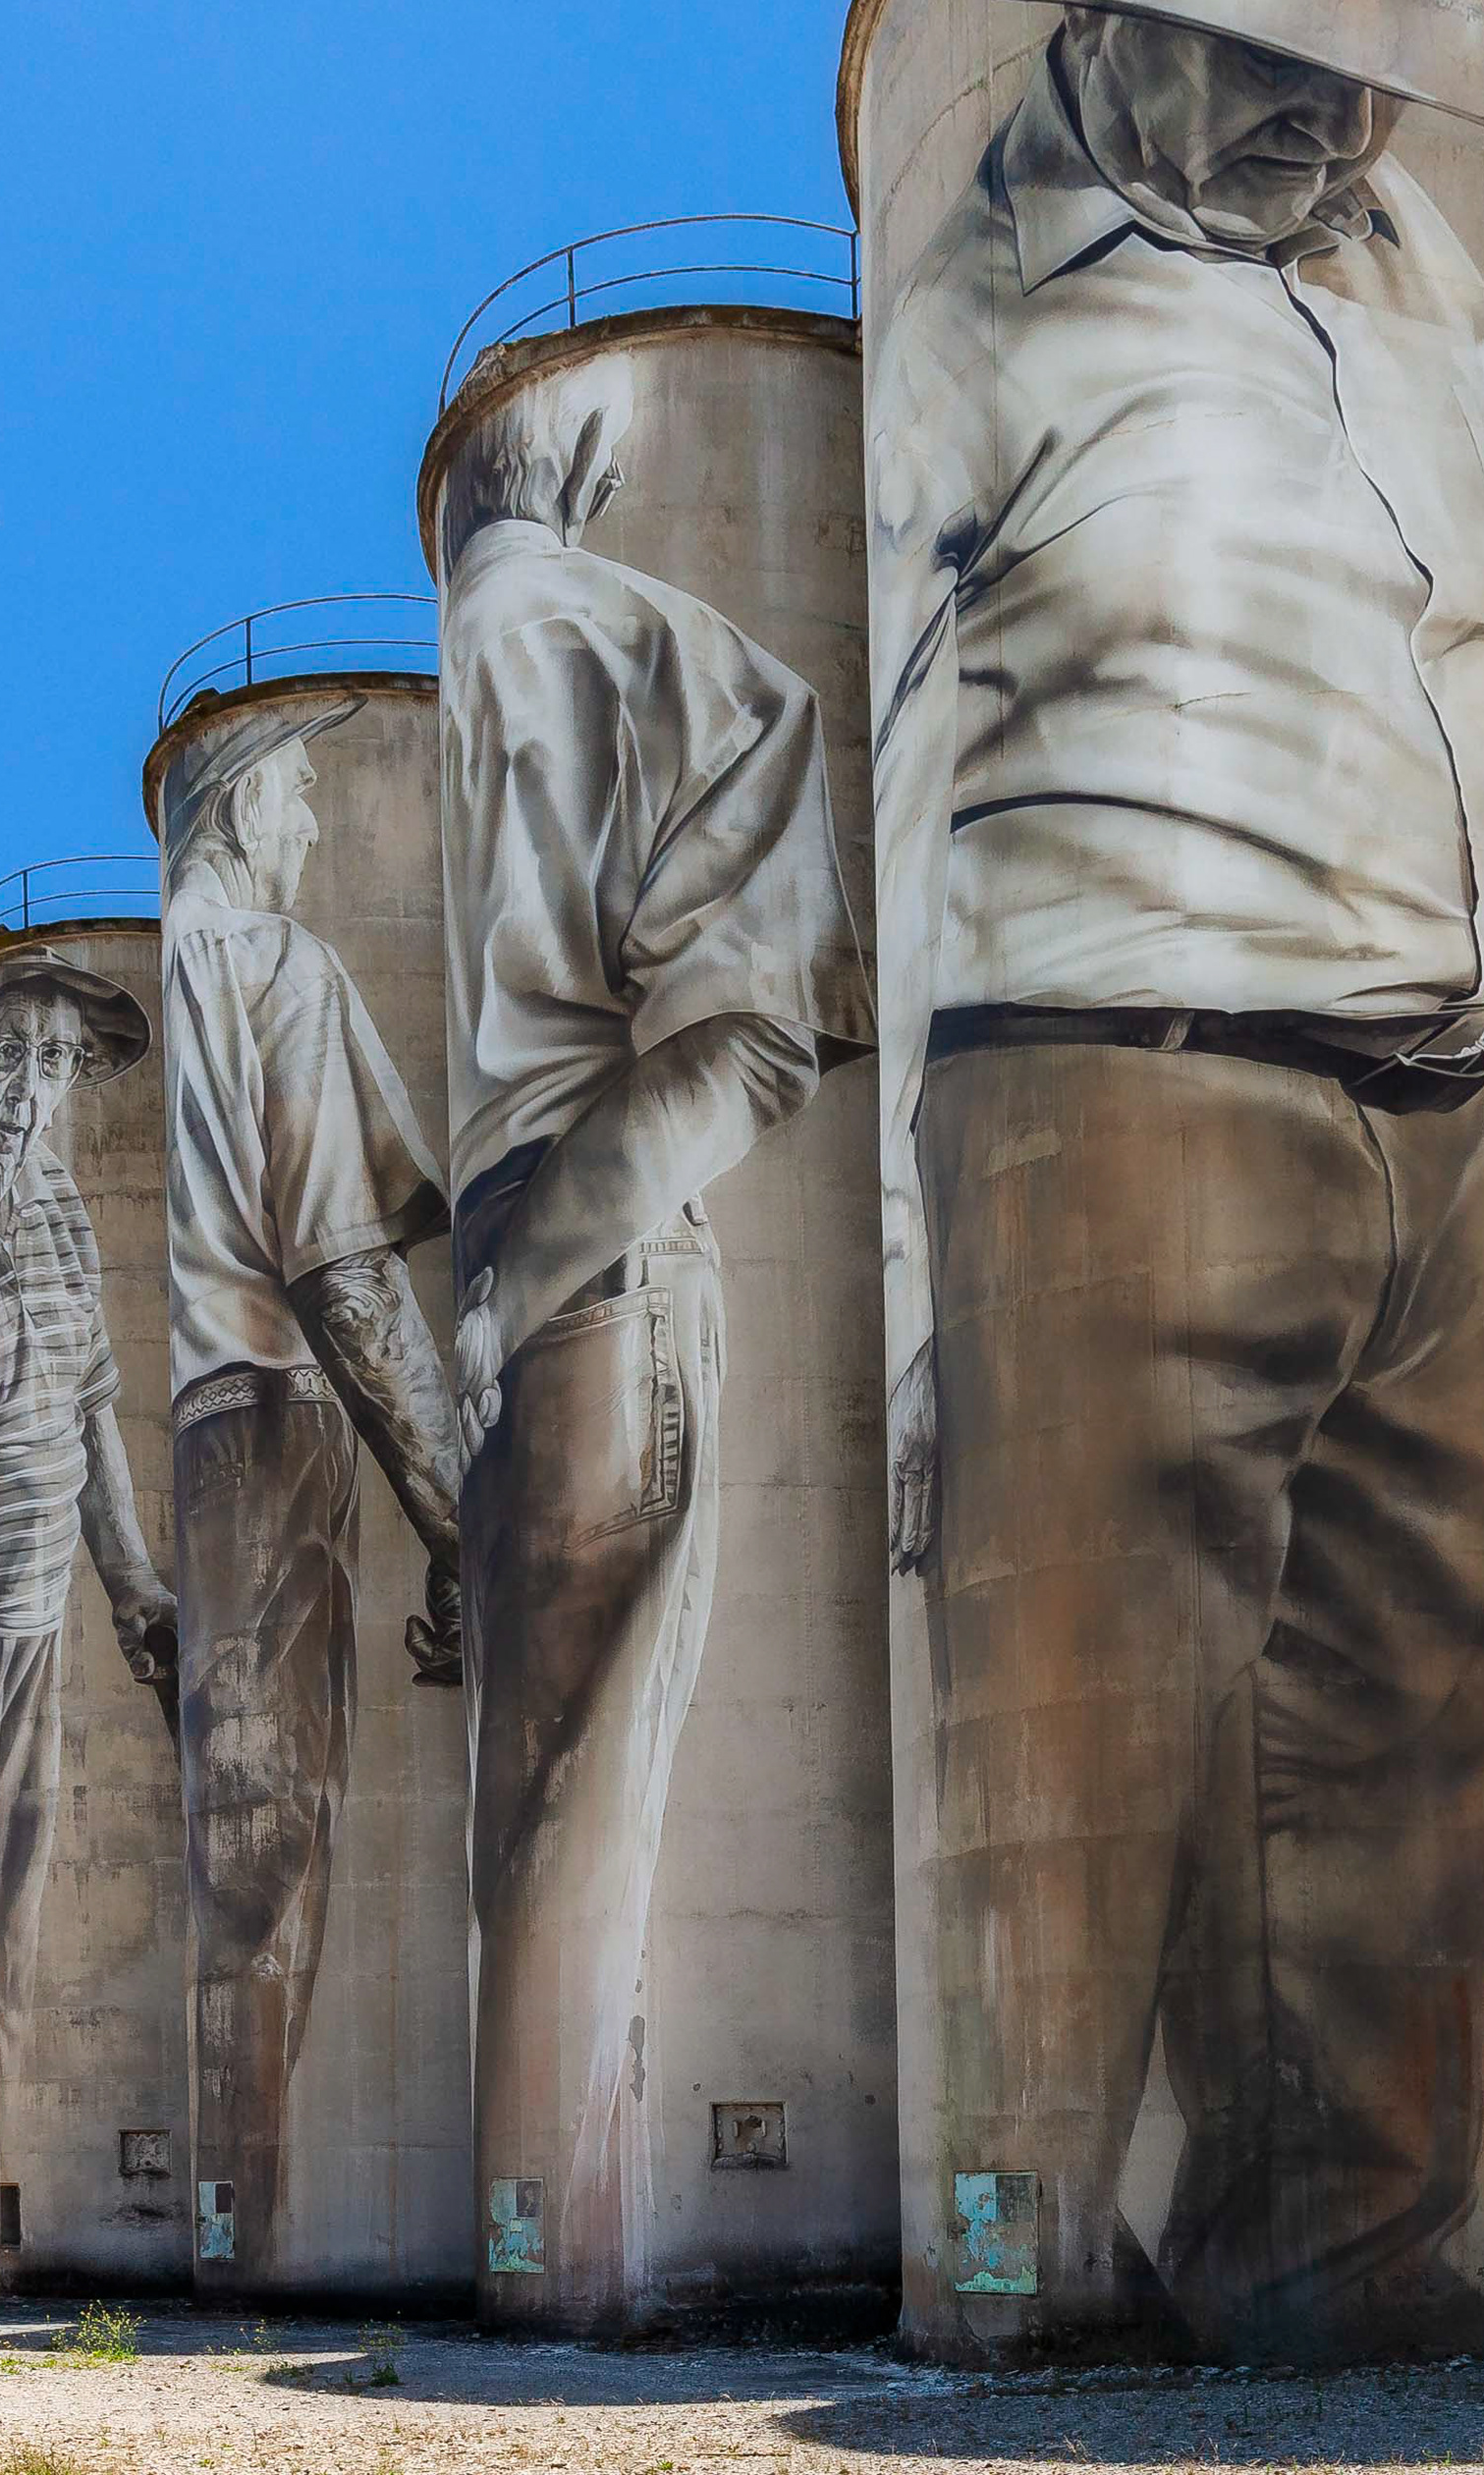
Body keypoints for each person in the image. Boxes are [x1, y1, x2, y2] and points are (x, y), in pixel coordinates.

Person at [866, 0, 1484, 2354]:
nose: (1338, 111)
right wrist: (915, 1284)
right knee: (1075, 1731)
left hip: (1434, 1104)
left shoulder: (1443, 315)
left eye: (1378, 56)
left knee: (1427, 1699)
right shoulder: (971, 323)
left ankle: (1333, 2266)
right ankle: (1016, 2285)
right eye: (1280, 45)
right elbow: (890, 779)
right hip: (1109, 1078)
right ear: (1118, 2)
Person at [431, 365, 874, 2309]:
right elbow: (754, 1036)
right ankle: (588, 2272)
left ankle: (546, 2263)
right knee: (578, 1845)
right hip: (586, 1264)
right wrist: (525, 1288)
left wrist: (486, 1303)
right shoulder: (673, 653)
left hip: (521, 1269)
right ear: (596, 464)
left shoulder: (496, 654)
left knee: (527, 1843)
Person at [157, 699, 467, 2282]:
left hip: (200, 1424)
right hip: (282, 1418)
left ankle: (237, 2228)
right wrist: (459, 1517)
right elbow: (346, 1266)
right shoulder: (276, 961)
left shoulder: (179, 971)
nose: (316, 826)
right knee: (282, 1859)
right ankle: (272, 2237)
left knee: (236, 1856)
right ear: (231, 812)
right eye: (296, 794)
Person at [0, 947, 177, 2121]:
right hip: (7, 1552)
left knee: (36, 1797)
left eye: (52, 1059)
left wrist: (134, 1581)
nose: (25, 1082)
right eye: (6, 1050)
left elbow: (95, 1402)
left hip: (50, 1538)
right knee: (19, 1796)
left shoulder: (58, 1200)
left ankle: (35, 2064)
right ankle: (23, 2069)